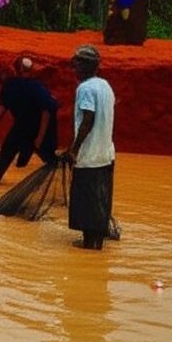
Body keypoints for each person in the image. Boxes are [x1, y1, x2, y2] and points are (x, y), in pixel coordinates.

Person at [63, 45, 115, 251]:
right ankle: (97, 243)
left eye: (76, 64)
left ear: (84, 66)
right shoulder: (105, 85)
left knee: (86, 204)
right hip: (106, 154)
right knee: (100, 201)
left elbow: (87, 120)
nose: (74, 68)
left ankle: (88, 245)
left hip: (89, 156)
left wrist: (74, 150)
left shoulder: (85, 88)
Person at [0, 55, 59, 185]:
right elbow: (47, 111)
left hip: (20, 128)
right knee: (51, 161)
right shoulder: (37, 87)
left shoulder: (10, 86)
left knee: (5, 156)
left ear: (17, 69)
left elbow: (2, 108)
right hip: (37, 129)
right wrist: (40, 138)